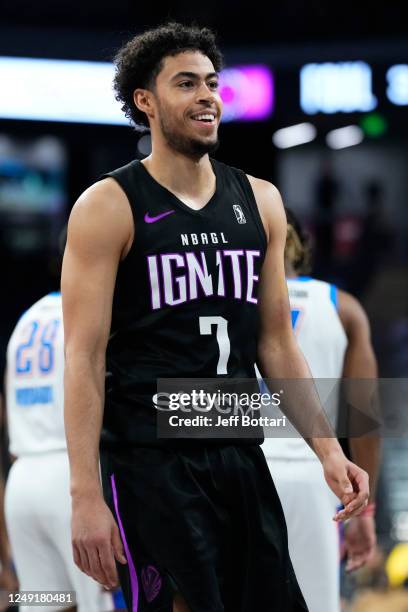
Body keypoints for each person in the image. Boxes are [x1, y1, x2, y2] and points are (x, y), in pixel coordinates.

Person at [62, 22, 369, 612]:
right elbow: (83, 356)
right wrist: (83, 494)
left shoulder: (260, 199)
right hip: (150, 456)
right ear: (145, 101)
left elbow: (276, 344)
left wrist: (329, 450)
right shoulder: (108, 205)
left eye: (211, 83)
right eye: (186, 84)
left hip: (237, 444)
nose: (207, 96)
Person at [261, 208, 381, 612]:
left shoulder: (234, 301)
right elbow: (364, 418)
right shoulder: (343, 307)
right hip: (316, 479)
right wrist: (367, 509)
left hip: (242, 470)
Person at [4, 292, 114, 612]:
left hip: (23, 477)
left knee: (45, 603)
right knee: (100, 603)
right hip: (71, 479)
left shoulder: (28, 318)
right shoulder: (90, 310)